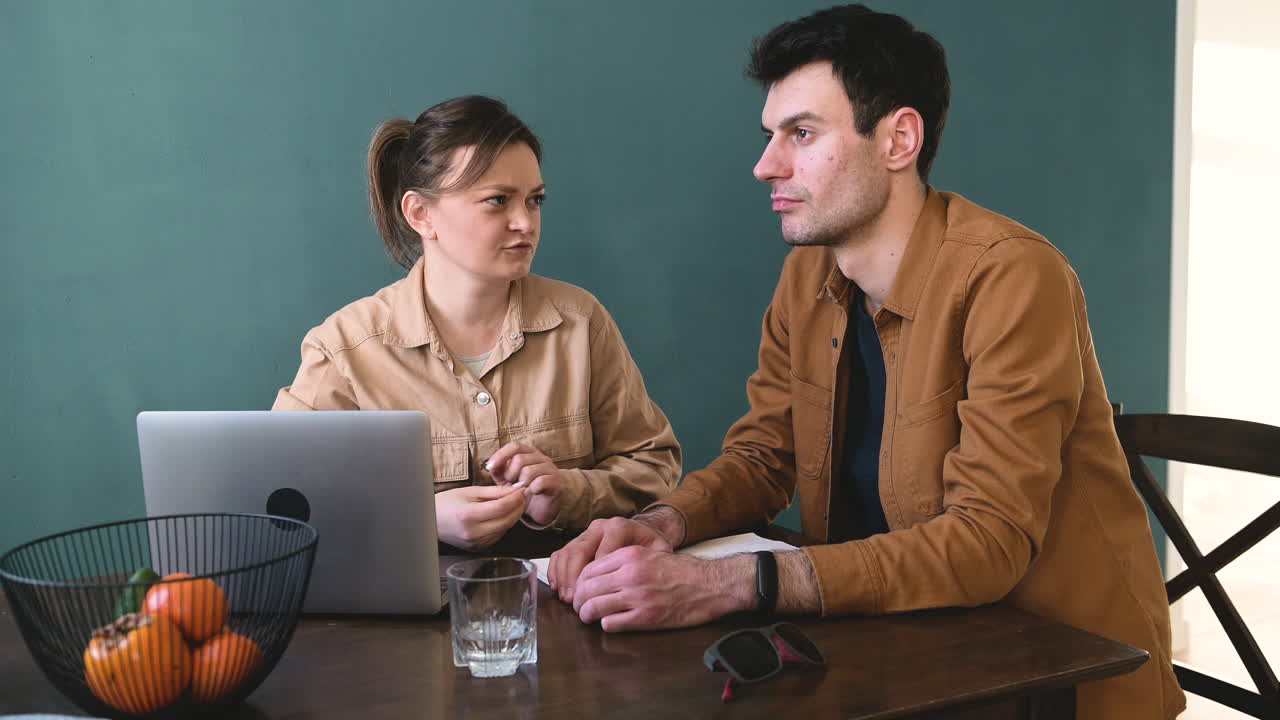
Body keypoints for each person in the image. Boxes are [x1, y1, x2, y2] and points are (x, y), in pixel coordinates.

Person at [547, 6, 1183, 718]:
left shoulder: (1013, 277)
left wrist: (729, 582)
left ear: (898, 139)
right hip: (894, 652)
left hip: (1047, 676)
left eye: (803, 134)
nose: (766, 166)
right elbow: (764, 455)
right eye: (771, 136)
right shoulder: (807, 276)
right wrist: (664, 523)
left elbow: (986, 543)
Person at [274, 95, 681, 552]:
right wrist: (419, 519)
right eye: (497, 201)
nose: (525, 222)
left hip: (564, 605)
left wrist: (567, 494)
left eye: (535, 199)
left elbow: (654, 467)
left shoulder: (581, 322)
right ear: (420, 214)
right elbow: (284, 501)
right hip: (410, 617)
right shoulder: (344, 349)